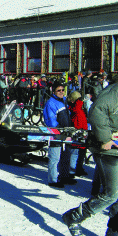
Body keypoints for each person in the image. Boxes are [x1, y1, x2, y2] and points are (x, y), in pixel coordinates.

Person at [62, 83, 118, 236]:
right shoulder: (114, 93)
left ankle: (114, 232)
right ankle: (73, 217)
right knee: (111, 194)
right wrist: (105, 138)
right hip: (107, 149)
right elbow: (96, 111)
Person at [43, 82, 77, 188]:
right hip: (56, 133)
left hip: (66, 133)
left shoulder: (63, 101)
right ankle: (52, 180)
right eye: (59, 90)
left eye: (63, 90)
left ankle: (64, 176)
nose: (61, 92)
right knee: (55, 157)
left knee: (66, 156)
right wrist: (60, 131)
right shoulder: (51, 103)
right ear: (54, 92)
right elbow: (51, 121)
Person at [68, 91, 88, 177]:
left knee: (76, 152)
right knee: (78, 152)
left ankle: (76, 168)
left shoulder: (73, 107)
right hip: (81, 130)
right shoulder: (79, 106)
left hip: (78, 130)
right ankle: (75, 169)